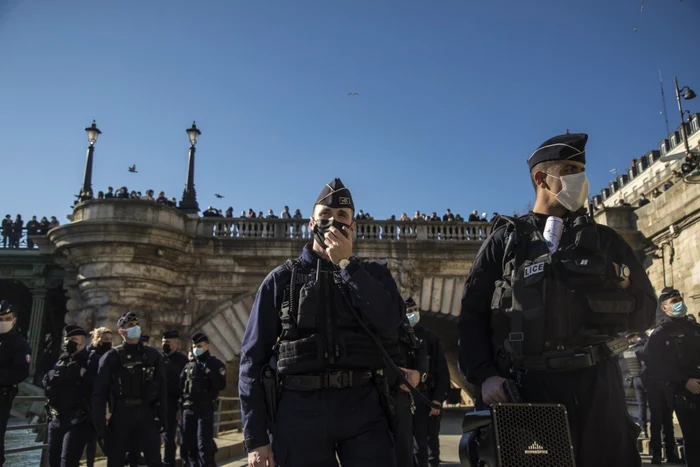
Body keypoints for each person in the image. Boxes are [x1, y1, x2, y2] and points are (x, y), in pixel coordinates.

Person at [458, 133, 657, 467]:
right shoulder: (505, 241)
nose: (581, 176)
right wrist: (486, 374)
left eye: (581, 167)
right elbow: (472, 314)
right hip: (530, 386)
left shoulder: (606, 242)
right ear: (541, 179)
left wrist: (619, 290)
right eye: (570, 168)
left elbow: (647, 312)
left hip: (598, 383)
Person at [239, 178, 405, 467]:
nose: (332, 222)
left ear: (353, 227)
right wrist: (256, 438)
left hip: (363, 405)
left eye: (342, 216)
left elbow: (392, 323)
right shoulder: (281, 280)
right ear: (310, 223)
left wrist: (348, 266)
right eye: (324, 215)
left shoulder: (374, 276)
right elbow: (252, 360)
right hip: (299, 410)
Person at [92, 312, 167, 467]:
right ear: (121, 331)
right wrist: (100, 426)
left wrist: (162, 418)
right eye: (131, 326)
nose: (135, 328)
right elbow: (100, 393)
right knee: (116, 459)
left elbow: (162, 389)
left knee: (153, 459)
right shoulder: (111, 357)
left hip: (145, 413)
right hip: (121, 413)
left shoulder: (152, 355)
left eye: (136, 325)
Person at [642, 287, 698, 465]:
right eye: (674, 302)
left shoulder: (695, 328)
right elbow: (657, 365)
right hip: (682, 391)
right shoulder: (660, 334)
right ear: (664, 308)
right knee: (694, 439)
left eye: (679, 299)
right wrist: (684, 381)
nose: (679, 303)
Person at [407, 298, 450, 467]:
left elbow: (442, 373)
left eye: (415, 309)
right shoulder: (394, 336)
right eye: (409, 310)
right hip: (403, 398)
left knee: (424, 444)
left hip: (425, 397)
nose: (413, 314)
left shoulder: (429, 337)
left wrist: (437, 399)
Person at [44, 325, 94, 467]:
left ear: (83, 342)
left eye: (72, 339)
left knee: (68, 461)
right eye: (66, 339)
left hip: (77, 420)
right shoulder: (61, 360)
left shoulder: (91, 361)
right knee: (54, 459)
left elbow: (96, 388)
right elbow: (46, 382)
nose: (68, 342)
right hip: (56, 419)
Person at [180, 332, 227, 466]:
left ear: (207, 346)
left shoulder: (215, 364)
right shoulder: (189, 365)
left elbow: (221, 385)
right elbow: (181, 386)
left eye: (199, 345)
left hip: (204, 409)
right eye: (194, 346)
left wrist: (209, 373)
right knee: (189, 445)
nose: (196, 348)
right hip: (188, 409)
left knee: (204, 446)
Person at [0, 300, 31, 466]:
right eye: (0, 318)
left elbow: (20, 373)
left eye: (7, 318)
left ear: (14, 320)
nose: (3, 322)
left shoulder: (19, 344)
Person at [159, 330, 189, 467]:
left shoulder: (183, 361)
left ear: (176, 344)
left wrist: (181, 406)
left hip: (175, 403)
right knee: (158, 436)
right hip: (159, 402)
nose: (165, 345)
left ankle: (170, 462)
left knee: (172, 436)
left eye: (168, 342)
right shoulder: (157, 358)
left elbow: (186, 385)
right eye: (164, 342)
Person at [622, 332, 649, 437]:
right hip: (645, 379)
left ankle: (643, 429)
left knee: (641, 405)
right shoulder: (640, 347)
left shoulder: (628, 349)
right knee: (651, 404)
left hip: (636, 379)